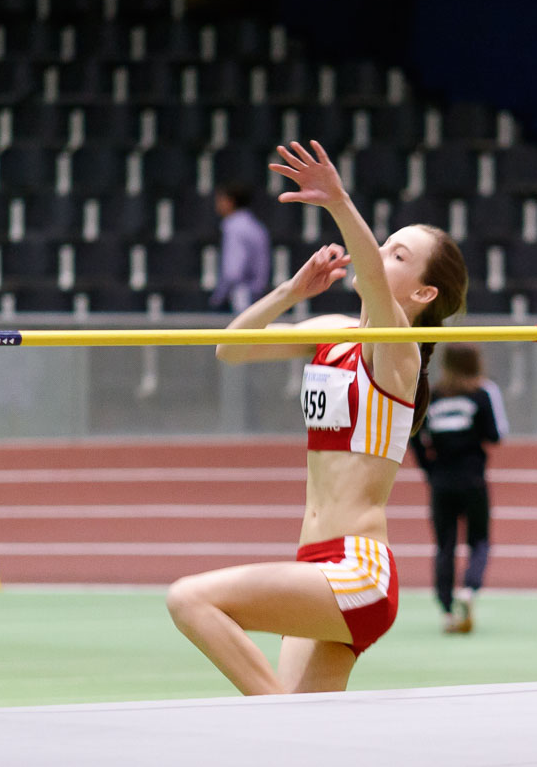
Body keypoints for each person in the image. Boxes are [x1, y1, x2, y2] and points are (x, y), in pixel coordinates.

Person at [166, 140, 468, 694]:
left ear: (425, 292)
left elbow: (374, 285)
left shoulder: (398, 351)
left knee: (189, 598)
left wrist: (337, 201)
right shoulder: (333, 332)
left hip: (357, 573)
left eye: (398, 254)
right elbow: (231, 349)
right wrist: (290, 291)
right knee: (306, 745)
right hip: (314, 564)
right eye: (384, 244)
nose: (379, 255)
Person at [412, 344, 507, 634]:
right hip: (473, 478)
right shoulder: (483, 392)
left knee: (445, 545)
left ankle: (446, 609)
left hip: (441, 479)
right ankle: (469, 588)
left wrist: (429, 470)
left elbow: (414, 435)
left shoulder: (432, 393)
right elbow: (496, 434)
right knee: (479, 540)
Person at [209, 181, 271, 313]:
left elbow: (233, 271)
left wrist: (219, 297)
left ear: (229, 201)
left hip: (240, 298)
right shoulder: (256, 226)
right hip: (256, 295)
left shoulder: (234, 227)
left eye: (220, 200)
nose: (217, 204)